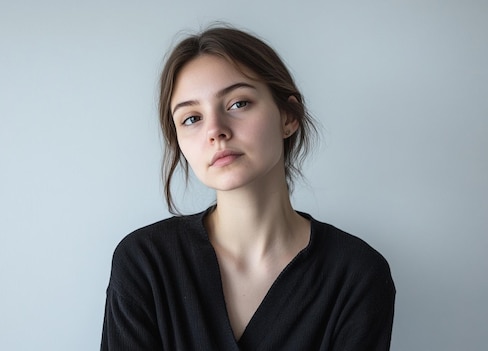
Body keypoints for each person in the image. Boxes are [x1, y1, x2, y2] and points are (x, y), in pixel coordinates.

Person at [101, 25, 395, 350]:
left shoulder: (357, 274)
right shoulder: (145, 262)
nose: (215, 130)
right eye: (191, 118)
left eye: (238, 103)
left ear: (288, 116)